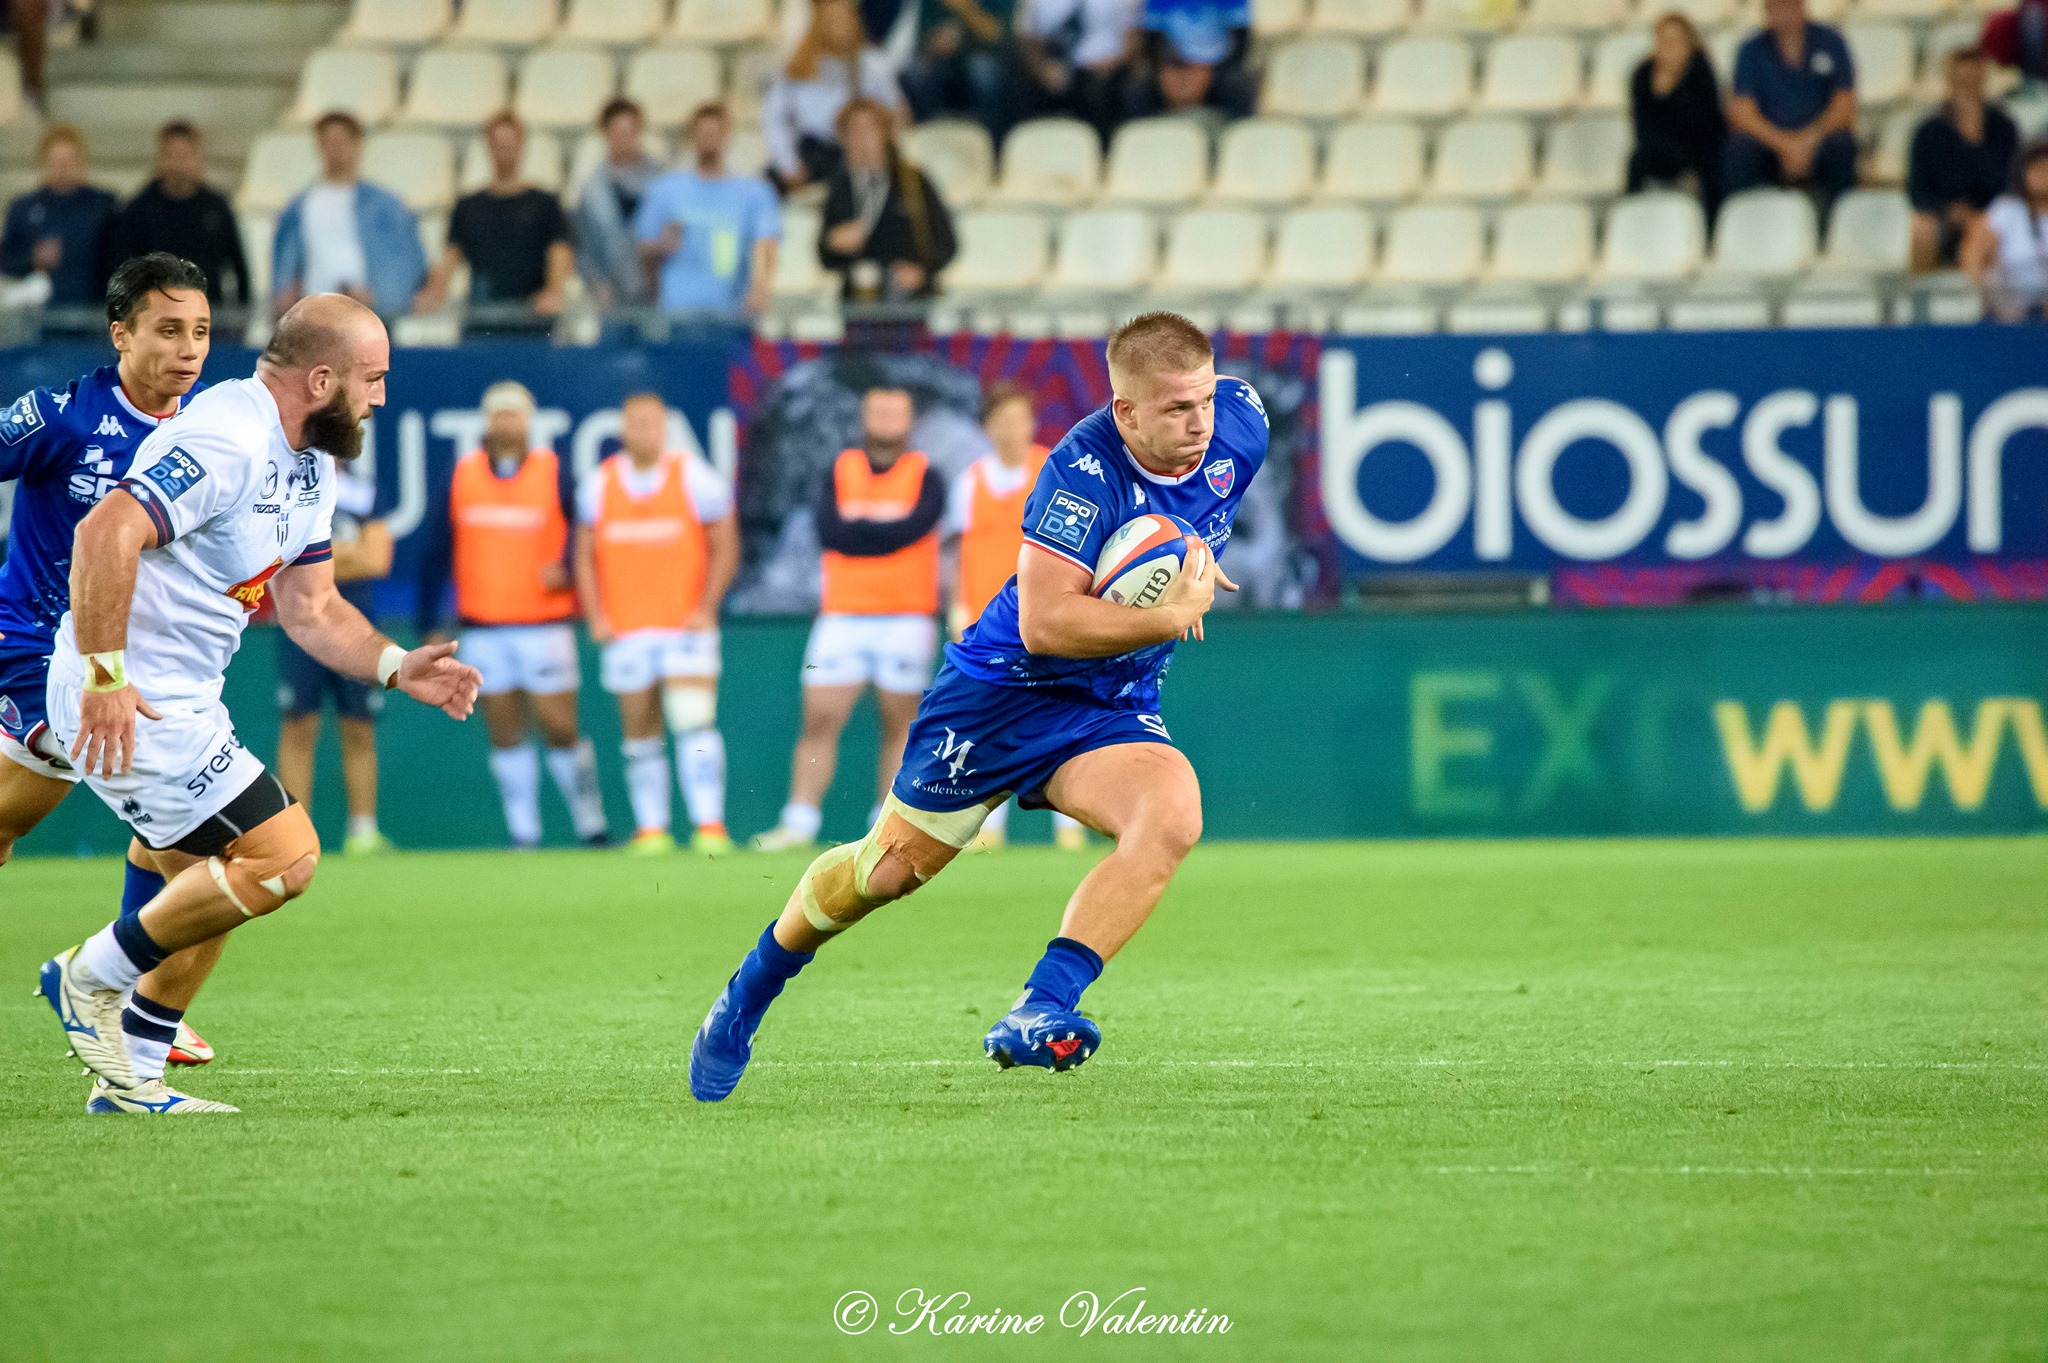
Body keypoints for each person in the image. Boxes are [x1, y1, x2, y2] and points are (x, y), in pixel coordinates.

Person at [690, 312, 1265, 1101]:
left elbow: (1189, 510)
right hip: (1000, 693)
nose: (1199, 423)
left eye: (1203, 401)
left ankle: (1041, 1006)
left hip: (1108, 701)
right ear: (1126, 411)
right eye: (1176, 409)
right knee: (885, 873)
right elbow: (1046, 623)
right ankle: (749, 989)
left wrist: (1179, 563)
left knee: (1171, 817)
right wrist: (1169, 614)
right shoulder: (1080, 472)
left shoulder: (1241, 423)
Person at [34, 293, 481, 1115]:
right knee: (285, 857)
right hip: (131, 700)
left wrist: (393, 665)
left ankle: (131, 1075)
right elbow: (104, 533)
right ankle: (89, 976)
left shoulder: (311, 460)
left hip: (185, 701)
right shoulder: (228, 436)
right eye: (373, 379)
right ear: (322, 380)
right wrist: (104, 676)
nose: (381, 397)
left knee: (211, 891)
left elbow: (313, 608)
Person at [0, 253, 218, 1072]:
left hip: (132, 662)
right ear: (120, 334)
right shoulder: (64, 417)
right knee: (189, 836)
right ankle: (131, 1003)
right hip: (36, 648)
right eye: (168, 330)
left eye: (200, 331)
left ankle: (127, 998)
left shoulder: (211, 432)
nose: (188, 348)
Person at [417, 380, 611, 850]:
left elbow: (588, 536)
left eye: (515, 414)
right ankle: (524, 833)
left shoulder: (554, 473)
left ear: (528, 421)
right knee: (505, 731)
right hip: (483, 625)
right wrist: (428, 621)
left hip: (544, 625)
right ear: (486, 421)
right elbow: (436, 549)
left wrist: (568, 570)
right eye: (499, 414)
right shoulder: (462, 476)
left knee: (561, 727)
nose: (507, 422)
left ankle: (591, 825)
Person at [752, 386, 945, 853]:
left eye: (896, 411)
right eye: (878, 410)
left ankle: (887, 823)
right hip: (842, 615)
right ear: (863, 417)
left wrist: (864, 534)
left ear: (911, 421)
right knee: (820, 719)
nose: (886, 419)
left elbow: (914, 527)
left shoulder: (927, 475)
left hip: (905, 617)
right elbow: (831, 531)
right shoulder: (839, 470)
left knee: (900, 725)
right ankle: (799, 821)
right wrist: (881, 535)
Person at [572, 393, 740, 856]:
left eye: (652, 423)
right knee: (639, 730)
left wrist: (706, 607)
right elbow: (583, 556)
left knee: (693, 721)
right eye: (634, 423)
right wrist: (596, 616)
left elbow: (726, 545)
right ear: (621, 430)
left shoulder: (695, 477)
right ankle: (652, 829)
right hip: (626, 629)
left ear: (665, 428)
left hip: (684, 628)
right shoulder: (599, 484)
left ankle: (710, 825)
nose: (643, 431)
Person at [944, 382, 1087, 853]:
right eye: (1003, 421)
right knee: (992, 723)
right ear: (987, 428)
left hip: (1048, 615)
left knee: (1058, 718)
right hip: (991, 624)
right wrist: (958, 608)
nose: (1013, 431)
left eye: (1021, 420)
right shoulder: (970, 482)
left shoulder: (1054, 471)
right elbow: (958, 553)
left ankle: (1070, 826)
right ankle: (988, 829)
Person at [273, 460, 395, 855]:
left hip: (355, 625)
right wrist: (346, 554)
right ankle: (295, 836)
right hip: (299, 625)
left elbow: (376, 559)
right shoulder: (286, 482)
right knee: (299, 724)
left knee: (360, 725)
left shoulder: (364, 490)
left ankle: (363, 831)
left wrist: (315, 560)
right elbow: (278, 555)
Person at [415, 112, 573, 333]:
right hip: (481, 316)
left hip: (533, 317)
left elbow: (559, 250)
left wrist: (554, 291)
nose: (504, 149)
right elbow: (452, 254)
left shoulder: (544, 203)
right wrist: (435, 293)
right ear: (488, 145)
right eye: (499, 143)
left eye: (510, 142)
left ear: (521, 144)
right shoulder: (468, 206)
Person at [272, 111, 429, 320]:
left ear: (357, 144)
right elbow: (286, 265)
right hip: (315, 313)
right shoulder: (298, 208)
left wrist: (381, 297)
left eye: (342, 141)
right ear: (319, 146)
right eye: (329, 142)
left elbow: (408, 263)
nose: (336, 149)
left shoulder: (387, 207)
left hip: (369, 314)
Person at [636, 102, 782, 319]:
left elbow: (767, 244)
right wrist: (660, 246)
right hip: (677, 312)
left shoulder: (753, 193)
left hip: (732, 313)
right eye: (703, 133)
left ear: (727, 135)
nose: (709, 139)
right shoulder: (665, 190)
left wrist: (760, 290)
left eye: (715, 132)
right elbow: (644, 249)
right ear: (691, 136)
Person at [818, 98, 957, 304]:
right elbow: (824, 256)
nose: (862, 138)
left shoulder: (912, 181)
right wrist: (833, 243)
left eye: (869, 129)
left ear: (885, 133)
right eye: (853, 131)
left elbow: (947, 243)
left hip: (910, 300)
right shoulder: (840, 186)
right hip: (859, 300)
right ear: (843, 138)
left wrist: (922, 272)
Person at [762, 0, 908, 194]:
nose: (839, 28)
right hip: (812, 154)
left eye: (844, 19)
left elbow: (895, 114)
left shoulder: (873, 66)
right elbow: (776, 120)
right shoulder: (797, 69)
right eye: (832, 20)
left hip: (859, 152)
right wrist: (789, 165)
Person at [1723, 0, 1858, 211]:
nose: (1785, 13)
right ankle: (1751, 219)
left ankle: (1837, 220)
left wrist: (1809, 140)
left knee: (1841, 147)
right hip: (1770, 140)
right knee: (1739, 152)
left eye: (1790, 5)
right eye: (1777, 6)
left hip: (1819, 136)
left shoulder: (1832, 42)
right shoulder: (1751, 50)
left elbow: (1844, 103)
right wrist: (1785, 145)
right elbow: (1742, 111)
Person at [105, 121, 251, 316]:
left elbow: (238, 267)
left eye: (185, 156)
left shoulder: (216, 207)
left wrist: (241, 317)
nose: (178, 164)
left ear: (198, 157)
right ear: (160, 158)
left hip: (207, 319)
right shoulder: (139, 209)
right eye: (171, 156)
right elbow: (122, 269)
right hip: (156, 318)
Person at [1907, 48, 2020, 272]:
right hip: (1943, 215)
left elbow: (2011, 182)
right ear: (1950, 82)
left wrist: (1981, 213)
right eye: (1961, 81)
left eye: (1973, 80)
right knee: (1922, 229)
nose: (1967, 87)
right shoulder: (1928, 132)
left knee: (1982, 230)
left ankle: (1982, 292)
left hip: (1990, 214)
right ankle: (1921, 292)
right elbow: (1918, 188)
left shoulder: (2003, 129)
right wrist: (1947, 210)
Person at [0, 125, 117, 311]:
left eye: (68, 161)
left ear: (81, 162)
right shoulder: (23, 208)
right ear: (43, 163)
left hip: (91, 311)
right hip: (37, 317)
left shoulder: (103, 206)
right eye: (55, 161)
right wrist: (33, 256)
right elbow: (6, 259)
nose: (62, 168)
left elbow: (118, 259)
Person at [1628, 13, 1727, 218]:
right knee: (1637, 161)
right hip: (1661, 147)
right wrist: (1660, 93)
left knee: (1712, 162)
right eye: (1664, 41)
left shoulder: (1701, 70)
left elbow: (1706, 123)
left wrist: (1675, 90)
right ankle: (1633, 218)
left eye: (1675, 41)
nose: (1669, 47)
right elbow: (1642, 124)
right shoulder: (1643, 74)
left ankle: (1711, 224)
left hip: (1699, 146)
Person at [575, 98, 666, 312]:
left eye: (630, 132)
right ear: (606, 134)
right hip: (612, 301)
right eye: (618, 132)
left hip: (657, 297)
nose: (624, 139)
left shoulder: (662, 183)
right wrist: (596, 285)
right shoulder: (592, 191)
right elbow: (584, 248)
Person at [1016, 0, 1141, 144]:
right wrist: (1042, 71)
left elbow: (1135, 40)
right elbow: (1029, 41)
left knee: (1105, 91)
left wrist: (1112, 65)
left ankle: (1105, 149)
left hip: (1109, 70)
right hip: (1058, 68)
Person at [1123, 0, 1256, 123]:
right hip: (1172, 64)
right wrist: (1170, 70)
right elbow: (1153, 42)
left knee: (1238, 85)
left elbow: (1240, 42)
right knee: (1135, 88)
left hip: (1218, 65)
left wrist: (1204, 70)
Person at [901, 0, 1020, 134]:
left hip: (987, 55)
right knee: (914, 76)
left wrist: (963, 8)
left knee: (982, 71)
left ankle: (990, 137)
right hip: (941, 59)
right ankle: (934, 137)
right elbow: (922, 36)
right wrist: (936, 44)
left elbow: (996, 36)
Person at [1963, 139, 2048, 322]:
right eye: (2037, 170)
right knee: (1993, 278)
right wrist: (1983, 284)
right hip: (2009, 299)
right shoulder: (2006, 209)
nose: (2043, 175)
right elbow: (1974, 254)